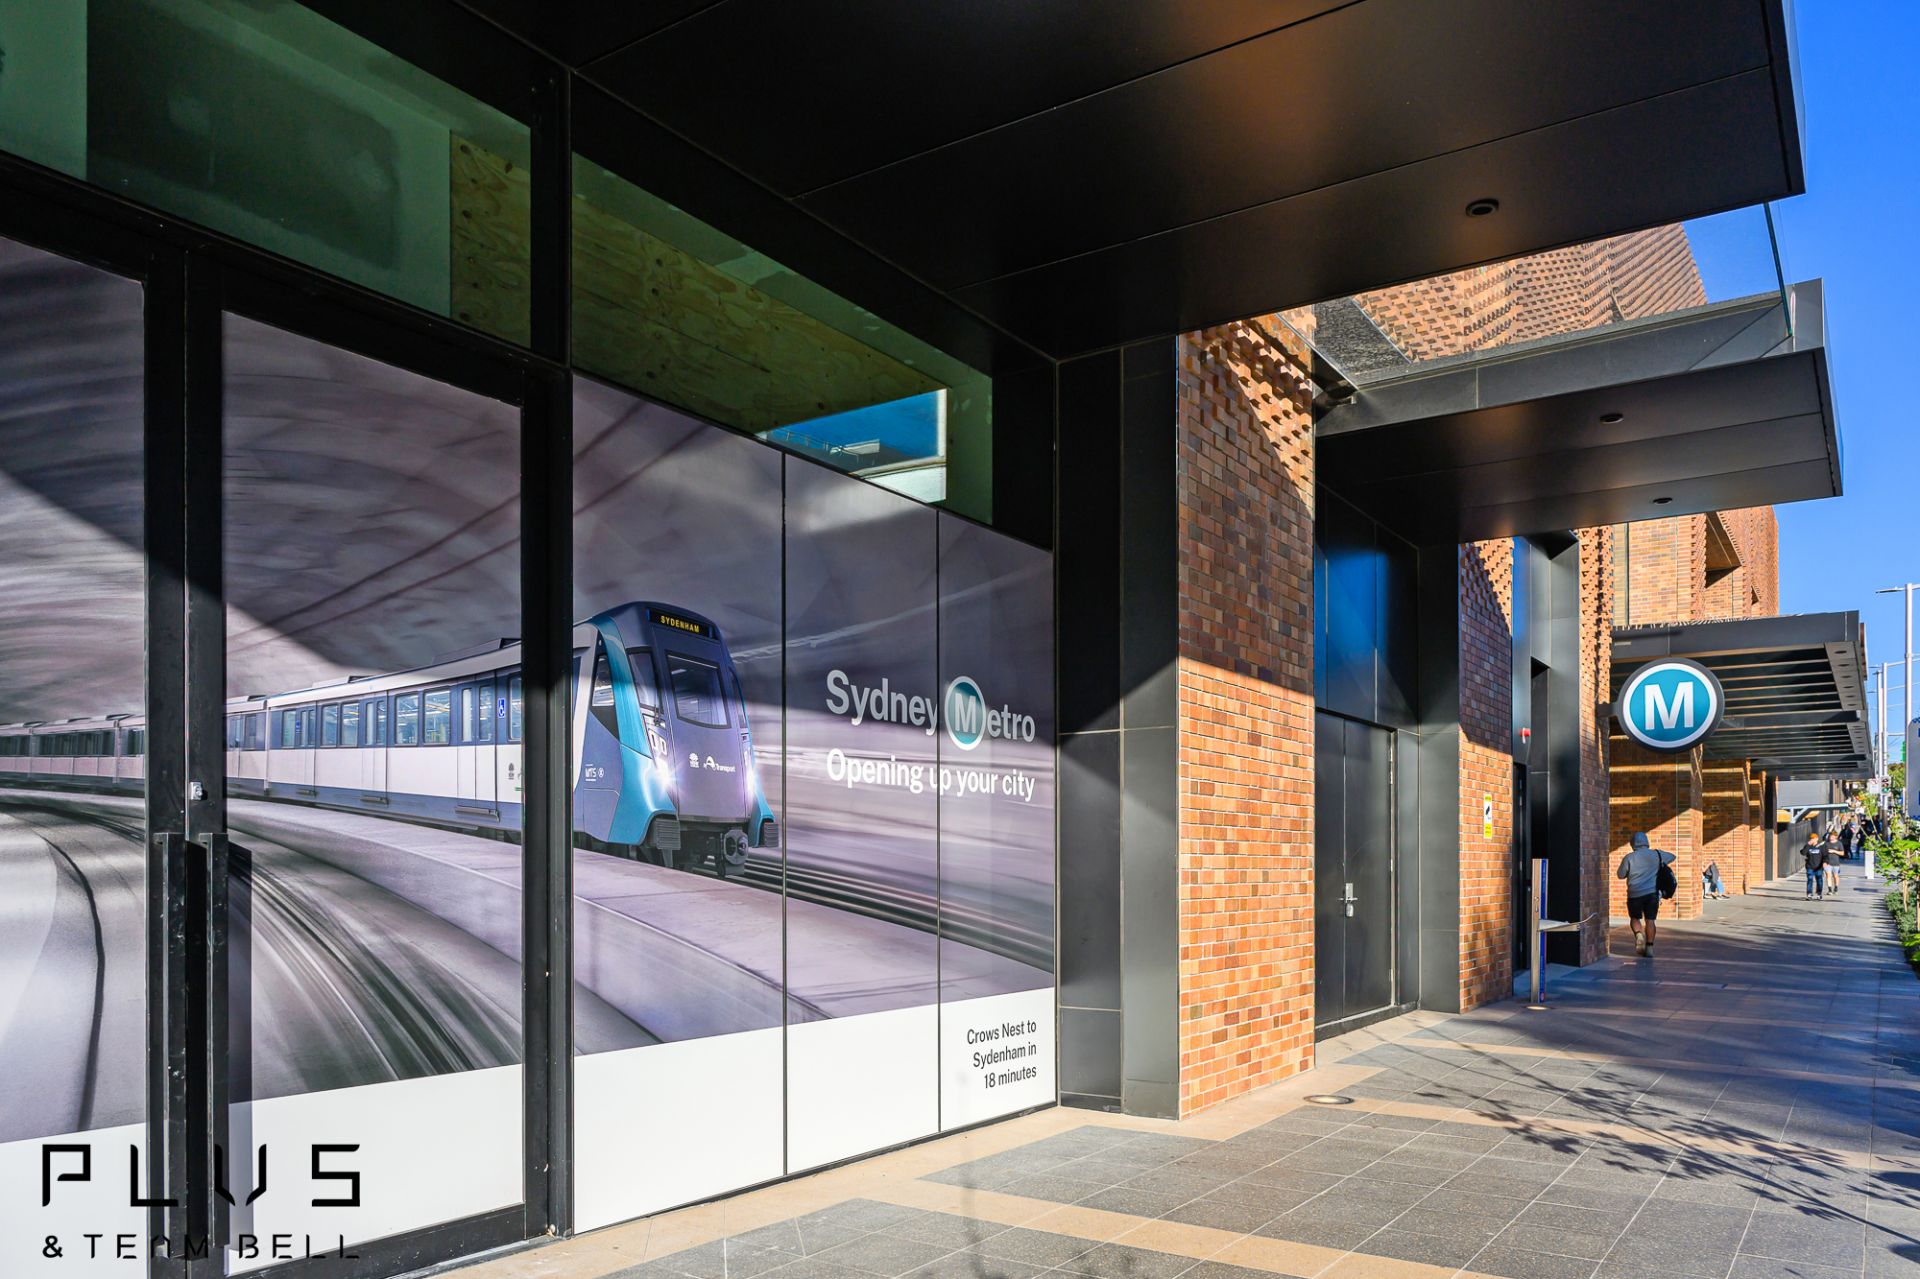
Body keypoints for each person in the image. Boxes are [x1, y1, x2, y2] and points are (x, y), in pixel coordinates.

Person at [1617, 831, 1677, 957]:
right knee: (1650, 920)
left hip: (1634, 893)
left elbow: (1620, 875)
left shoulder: (1629, 857)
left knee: (1635, 918)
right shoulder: (1656, 854)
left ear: (1633, 844)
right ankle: (1649, 947)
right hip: (1652, 893)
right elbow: (1672, 856)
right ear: (1646, 842)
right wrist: (1659, 862)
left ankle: (1638, 935)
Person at [1802, 827, 1829, 900]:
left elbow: (1826, 855)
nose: (1812, 839)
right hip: (1810, 866)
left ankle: (1819, 894)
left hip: (1819, 867)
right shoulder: (1808, 846)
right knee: (1810, 879)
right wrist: (1808, 845)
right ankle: (1809, 894)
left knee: (1819, 881)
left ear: (1817, 839)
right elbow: (1803, 853)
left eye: (1813, 838)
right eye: (1811, 838)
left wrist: (1825, 862)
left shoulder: (1821, 846)